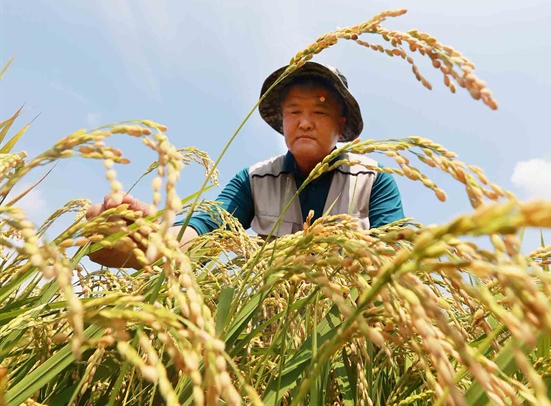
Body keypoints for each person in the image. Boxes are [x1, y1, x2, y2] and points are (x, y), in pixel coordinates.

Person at [86, 62, 404, 268]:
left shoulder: (374, 180)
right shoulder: (253, 180)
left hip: (353, 330)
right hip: (273, 333)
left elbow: (397, 258)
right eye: (294, 111)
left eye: (319, 113)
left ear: (340, 124)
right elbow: (205, 229)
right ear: (282, 122)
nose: (305, 123)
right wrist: (149, 242)